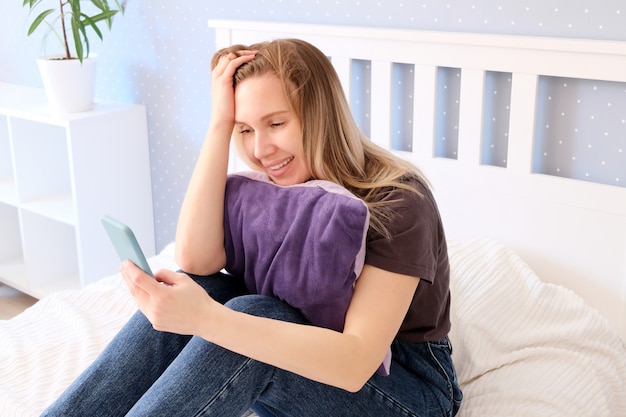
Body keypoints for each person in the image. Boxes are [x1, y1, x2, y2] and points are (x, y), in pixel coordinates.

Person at [42, 38, 462, 417]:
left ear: (321, 114)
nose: (260, 151)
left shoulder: (398, 202)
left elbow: (355, 362)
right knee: (204, 288)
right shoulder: (266, 190)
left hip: (408, 388)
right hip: (316, 347)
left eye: (277, 124)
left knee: (244, 313)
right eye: (245, 130)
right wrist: (218, 125)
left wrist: (207, 320)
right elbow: (195, 260)